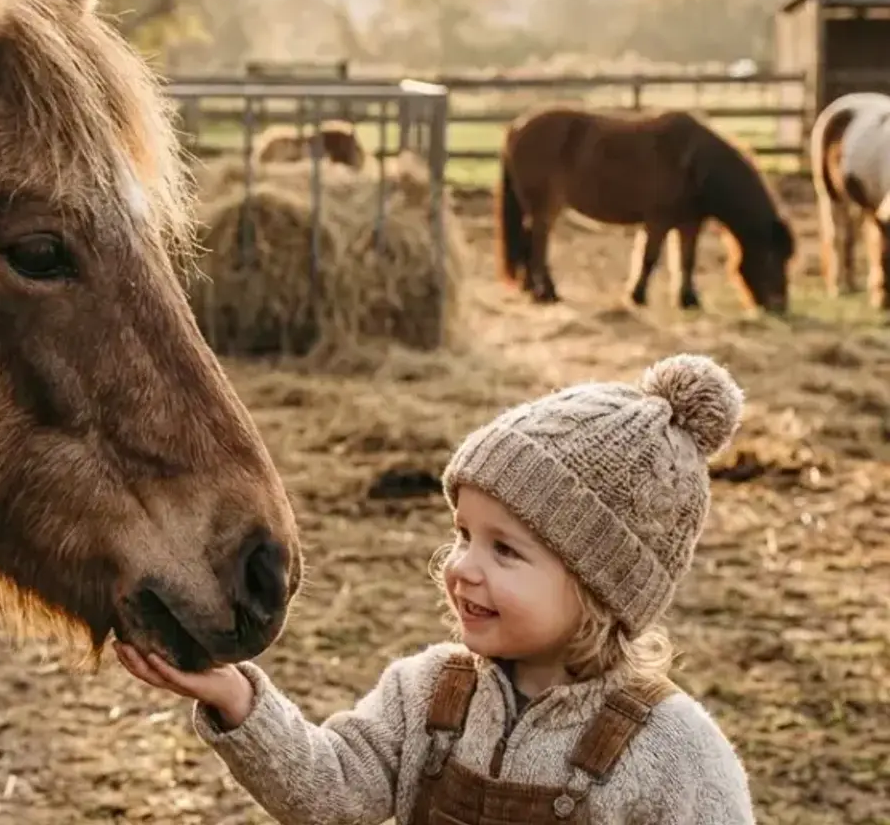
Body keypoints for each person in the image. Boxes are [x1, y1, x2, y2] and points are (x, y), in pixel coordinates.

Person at [115, 353, 756, 824]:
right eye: (463, 534)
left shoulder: (672, 753)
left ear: (600, 589)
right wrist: (240, 702)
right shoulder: (429, 697)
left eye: (505, 550)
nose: (462, 567)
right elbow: (329, 790)